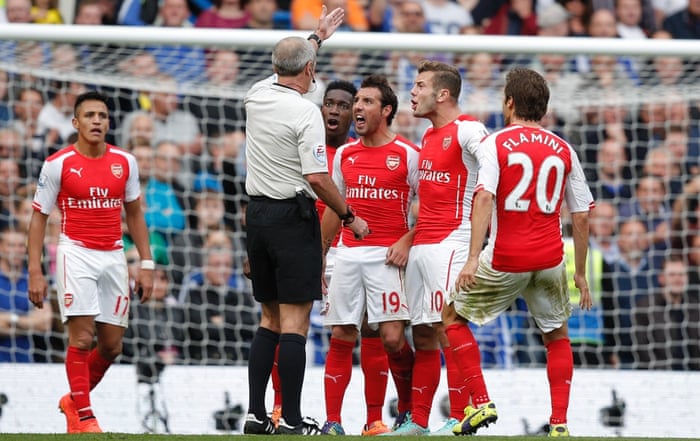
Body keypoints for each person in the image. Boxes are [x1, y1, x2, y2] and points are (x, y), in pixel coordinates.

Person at [443, 67, 594, 437]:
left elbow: (484, 197)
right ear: (544, 107)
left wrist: (473, 257)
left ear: (509, 102)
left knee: (451, 317)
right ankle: (559, 424)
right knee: (556, 336)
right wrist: (580, 273)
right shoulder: (564, 149)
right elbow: (581, 215)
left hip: (506, 257)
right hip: (551, 259)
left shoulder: (495, 143)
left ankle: (481, 402)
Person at [242, 7, 370, 436]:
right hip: (291, 217)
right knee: (294, 324)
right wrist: (349, 216)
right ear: (310, 71)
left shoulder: (256, 95)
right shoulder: (305, 113)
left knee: (268, 320)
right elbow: (317, 178)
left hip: (257, 216)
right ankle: (292, 421)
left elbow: (288, 63)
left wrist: (316, 37)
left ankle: (256, 415)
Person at [26, 91, 155, 433]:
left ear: (109, 122)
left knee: (112, 346)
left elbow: (135, 214)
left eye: (102, 115)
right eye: (89, 115)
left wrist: (147, 264)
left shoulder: (125, 162)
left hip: (114, 256)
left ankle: (73, 400)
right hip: (75, 253)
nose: (97, 120)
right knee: (82, 339)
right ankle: (84, 417)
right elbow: (38, 218)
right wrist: (35, 270)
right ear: (76, 122)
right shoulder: (58, 164)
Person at [388, 60, 489, 436]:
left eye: (419, 85)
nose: (412, 92)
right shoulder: (429, 136)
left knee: (450, 327)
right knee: (423, 333)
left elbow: (493, 164)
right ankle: (418, 421)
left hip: (453, 240)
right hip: (423, 244)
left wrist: (476, 251)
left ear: (443, 94)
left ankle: (461, 415)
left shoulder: (469, 129)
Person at [319, 75, 418, 436]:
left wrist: (407, 240)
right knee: (342, 333)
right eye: (357, 101)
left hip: (388, 258)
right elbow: (337, 207)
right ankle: (333, 421)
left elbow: (432, 207)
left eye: (366, 102)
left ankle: (403, 410)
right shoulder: (346, 155)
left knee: (390, 338)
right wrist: (321, 252)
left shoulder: (407, 154)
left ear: (386, 110)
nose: (357, 108)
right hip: (347, 254)